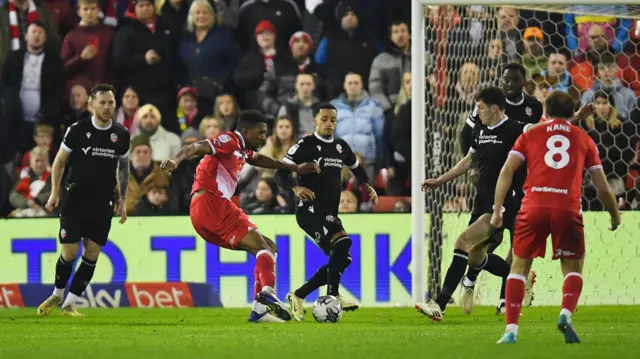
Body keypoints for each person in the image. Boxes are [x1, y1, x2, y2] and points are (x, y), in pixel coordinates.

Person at [159, 110, 319, 323]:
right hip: (211, 202)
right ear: (245, 131)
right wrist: (175, 159)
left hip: (208, 209)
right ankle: (269, 294)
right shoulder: (229, 140)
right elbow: (195, 146)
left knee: (269, 248)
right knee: (263, 247)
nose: (264, 137)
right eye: (260, 133)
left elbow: (260, 159)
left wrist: (293, 167)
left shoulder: (242, 149)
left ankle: (259, 309)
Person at [492, 91, 621, 344]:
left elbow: (507, 171)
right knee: (574, 265)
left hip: (533, 207)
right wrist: (614, 215)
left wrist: (497, 210)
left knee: (519, 266)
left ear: (545, 112)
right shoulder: (584, 139)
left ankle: (511, 331)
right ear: (571, 111)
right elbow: (603, 186)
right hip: (567, 207)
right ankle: (565, 313)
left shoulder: (530, 134)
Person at [415, 87, 536, 322]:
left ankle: (439, 305)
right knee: (475, 257)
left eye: (480, 108)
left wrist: (575, 119)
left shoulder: (518, 129)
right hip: (482, 199)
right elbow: (469, 160)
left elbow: (547, 131)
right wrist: (440, 180)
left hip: (505, 200)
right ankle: (519, 275)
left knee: (463, 242)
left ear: (494, 109)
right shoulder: (480, 129)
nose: (476, 112)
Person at [275, 103, 379, 322]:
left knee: (343, 258)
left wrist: (367, 185)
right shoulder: (305, 145)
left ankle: (299, 294)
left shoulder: (340, 147)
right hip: (309, 209)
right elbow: (280, 173)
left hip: (329, 211)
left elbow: (356, 166)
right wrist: (295, 188)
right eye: (324, 119)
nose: (329, 123)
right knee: (342, 244)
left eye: (333, 120)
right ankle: (332, 296)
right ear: (315, 121)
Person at [37, 84, 130, 316]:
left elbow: (123, 170)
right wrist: (55, 192)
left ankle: (70, 303)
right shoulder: (77, 130)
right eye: (103, 102)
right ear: (91, 104)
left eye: (111, 103)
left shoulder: (121, 134)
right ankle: (57, 294)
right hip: (75, 200)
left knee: (91, 254)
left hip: (102, 204)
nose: (107, 107)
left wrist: (122, 200)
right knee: (69, 253)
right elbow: (59, 162)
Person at [458, 62, 543, 313]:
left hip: (520, 181)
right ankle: (470, 280)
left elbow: (536, 139)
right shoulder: (489, 103)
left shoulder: (533, 107)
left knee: (518, 242)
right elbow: (466, 134)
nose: (508, 85)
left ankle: (506, 299)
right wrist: (474, 165)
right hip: (492, 178)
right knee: (486, 243)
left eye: (513, 81)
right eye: (505, 80)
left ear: (523, 82)